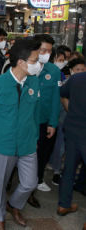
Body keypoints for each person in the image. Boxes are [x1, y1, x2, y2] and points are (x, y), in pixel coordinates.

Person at [0, 39, 42, 230]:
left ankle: (14, 205)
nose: (39, 63)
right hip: (3, 143)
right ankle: (0, 217)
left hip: (27, 143)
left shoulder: (34, 82)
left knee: (30, 183)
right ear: (22, 62)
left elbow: (36, 114)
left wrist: (35, 137)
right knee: (0, 185)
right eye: (35, 60)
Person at [24, 35, 61, 209]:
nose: (46, 54)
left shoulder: (53, 71)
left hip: (44, 122)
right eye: (43, 50)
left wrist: (53, 123)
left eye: (49, 51)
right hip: (25, 122)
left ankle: (35, 184)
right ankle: (10, 181)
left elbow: (55, 99)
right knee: (21, 155)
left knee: (40, 155)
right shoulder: (24, 67)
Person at [57, 71, 86, 217]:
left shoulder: (76, 78)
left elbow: (62, 93)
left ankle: (63, 204)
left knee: (69, 168)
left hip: (73, 129)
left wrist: (71, 110)